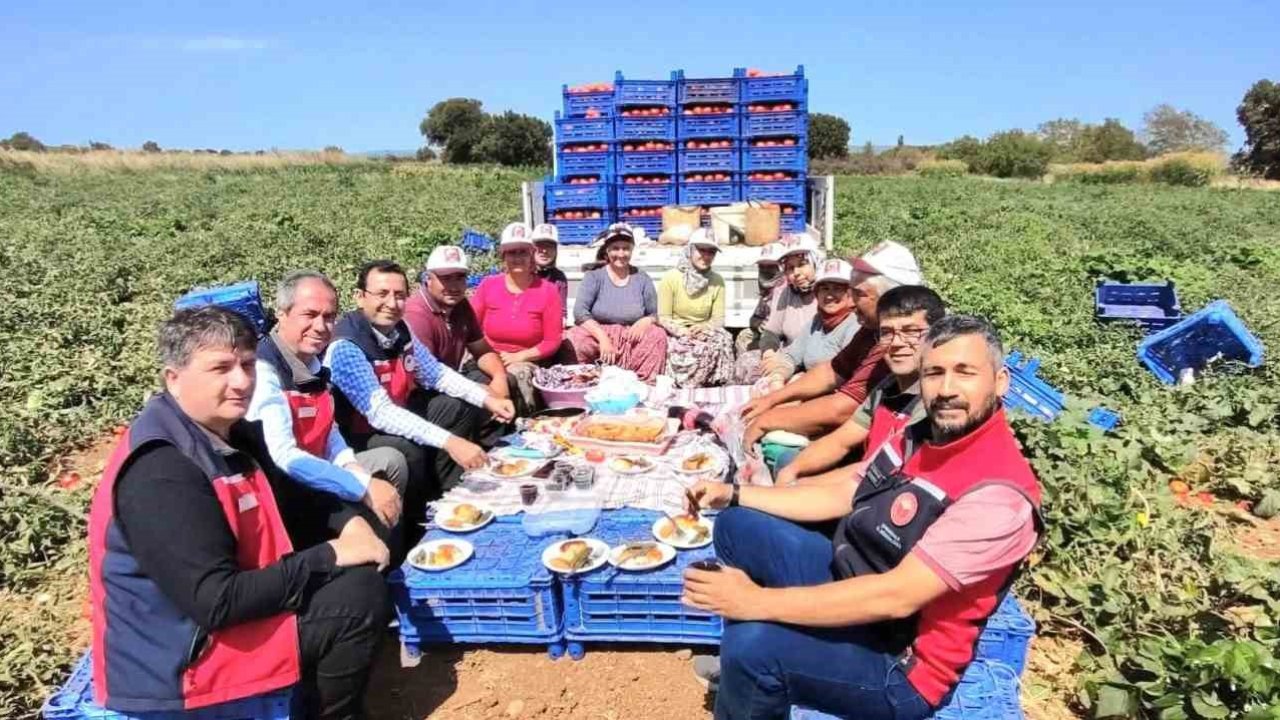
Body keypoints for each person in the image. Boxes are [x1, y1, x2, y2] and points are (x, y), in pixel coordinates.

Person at [682, 315, 1043, 720]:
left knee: (754, 648)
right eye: (934, 373)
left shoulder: (998, 495)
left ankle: (756, 660)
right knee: (738, 524)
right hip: (858, 577)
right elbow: (848, 490)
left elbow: (896, 596)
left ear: (1000, 382)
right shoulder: (922, 434)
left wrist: (757, 601)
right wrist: (734, 493)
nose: (946, 390)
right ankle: (756, 673)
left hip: (901, 661)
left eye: (965, 373)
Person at [89, 307, 391, 720]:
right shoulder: (162, 470)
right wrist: (330, 555)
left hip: (207, 617)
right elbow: (217, 602)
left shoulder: (232, 432)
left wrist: (351, 521)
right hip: (179, 661)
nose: (241, 381)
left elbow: (296, 497)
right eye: (220, 368)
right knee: (356, 598)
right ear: (173, 379)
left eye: (248, 364)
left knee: (357, 548)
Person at [326, 260, 514, 534]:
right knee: (405, 449)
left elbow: (435, 374)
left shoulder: (401, 330)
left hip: (398, 410)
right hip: (360, 434)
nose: (392, 303)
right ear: (359, 296)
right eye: (382, 294)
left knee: (456, 406)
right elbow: (381, 413)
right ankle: (417, 522)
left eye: (399, 295)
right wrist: (451, 442)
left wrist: (488, 399)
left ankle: (454, 494)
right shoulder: (347, 346)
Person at [249, 271, 407, 535]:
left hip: (318, 463)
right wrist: (360, 485)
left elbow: (329, 432)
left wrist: (351, 466)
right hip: (287, 485)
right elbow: (283, 456)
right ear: (282, 313)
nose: (321, 327)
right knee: (366, 497)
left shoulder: (314, 362)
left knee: (392, 461)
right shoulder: (264, 370)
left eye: (329, 317)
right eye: (310, 315)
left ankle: (397, 550)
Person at [740, 241, 923, 448]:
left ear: (890, 297)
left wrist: (769, 419)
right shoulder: (870, 331)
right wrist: (772, 400)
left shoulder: (897, 343)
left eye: (859, 294)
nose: (852, 302)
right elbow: (832, 371)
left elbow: (842, 408)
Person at [775, 285, 946, 487]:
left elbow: (869, 474)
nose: (897, 343)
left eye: (911, 332)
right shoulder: (886, 388)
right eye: (887, 333)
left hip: (887, 500)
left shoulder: (936, 400)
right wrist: (792, 470)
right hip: (861, 490)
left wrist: (795, 488)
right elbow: (840, 441)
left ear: (937, 334)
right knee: (784, 460)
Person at [470, 223, 567, 415]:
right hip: (487, 356)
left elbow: (552, 340)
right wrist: (489, 357)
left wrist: (519, 356)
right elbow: (472, 328)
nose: (517, 258)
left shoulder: (548, 291)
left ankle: (517, 424)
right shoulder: (488, 286)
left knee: (515, 377)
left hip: (525, 359)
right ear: (503, 257)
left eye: (523, 252)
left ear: (532, 255)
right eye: (511, 252)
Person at [403, 244, 509, 400]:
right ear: (428, 279)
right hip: (423, 394)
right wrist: (484, 395)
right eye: (445, 278)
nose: (454, 286)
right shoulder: (417, 314)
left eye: (460, 277)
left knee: (501, 381)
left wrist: (500, 378)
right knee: (476, 403)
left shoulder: (461, 305)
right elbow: (427, 377)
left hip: (449, 380)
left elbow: (481, 350)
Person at [565, 223, 666, 380]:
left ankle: (644, 383)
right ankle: (584, 380)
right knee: (574, 338)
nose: (621, 253)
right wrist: (603, 338)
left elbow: (654, 313)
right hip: (599, 335)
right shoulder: (594, 277)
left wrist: (644, 321)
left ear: (632, 250)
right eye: (615, 248)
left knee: (657, 335)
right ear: (607, 250)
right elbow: (580, 313)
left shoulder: (642, 278)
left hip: (630, 337)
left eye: (626, 248)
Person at [762, 258, 862, 388]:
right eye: (825, 289)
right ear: (817, 293)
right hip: (807, 385)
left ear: (850, 294)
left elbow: (846, 374)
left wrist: (799, 386)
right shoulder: (817, 321)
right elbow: (792, 356)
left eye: (837, 289)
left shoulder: (856, 324)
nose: (829, 295)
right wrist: (777, 377)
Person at [658, 228, 735, 388]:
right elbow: (663, 317)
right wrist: (683, 332)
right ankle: (684, 384)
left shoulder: (717, 281)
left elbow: (718, 319)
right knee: (680, 347)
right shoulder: (671, 278)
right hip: (677, 333)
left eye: (711, 252)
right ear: (690, 250)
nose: (706, 256)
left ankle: (714, 383)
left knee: (724, 338)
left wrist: (704, 328)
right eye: (701, 250)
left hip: (703, 332)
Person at [733, 242, 785, 358]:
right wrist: (759, 324)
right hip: (765, 334)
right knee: (744, 336)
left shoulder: (786, 291)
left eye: (771, 266)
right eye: (762, 266)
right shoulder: (767, 290)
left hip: (781, 340)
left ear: (781, 267)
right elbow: (753, 319)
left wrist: (769, 326)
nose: (765, 270)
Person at [531, 223, 570, 312]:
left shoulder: (559, 278)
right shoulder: (523, 275)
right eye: (540, 245)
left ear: (555, 250)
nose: (544, 251)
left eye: (549, 246)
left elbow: (562, 312)